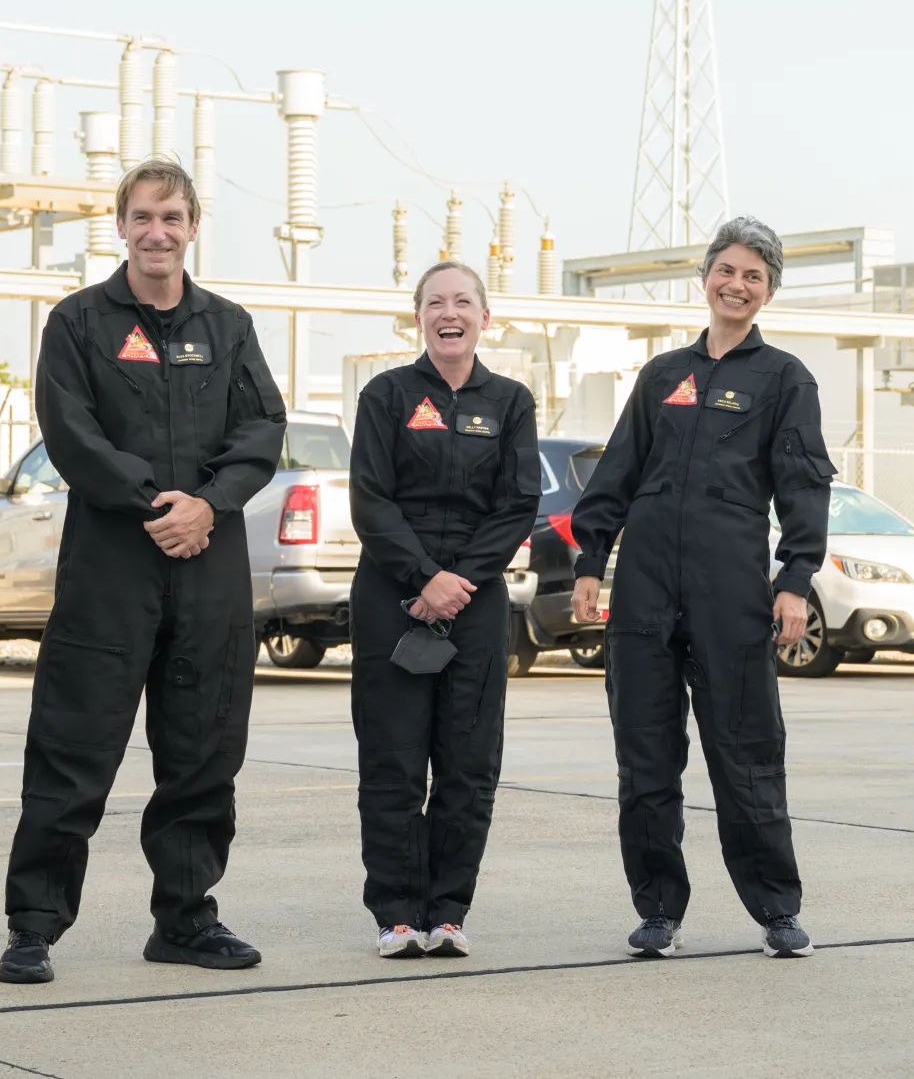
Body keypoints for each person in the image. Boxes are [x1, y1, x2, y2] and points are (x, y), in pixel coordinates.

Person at [0, 158, 287, 985]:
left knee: (202, 750)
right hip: (111, 567)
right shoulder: (80, 322)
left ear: (192, 227)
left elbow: (262, 427)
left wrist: (208, 504)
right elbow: (70, 429)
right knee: (73, 744)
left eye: (173, 217)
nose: (157, 231)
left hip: (209, 567)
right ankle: (34, 924)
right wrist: (155, 503)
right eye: (142, 216)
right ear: (120, 225)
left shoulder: (228, 326)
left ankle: (187, 918)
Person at [568, 216, 834, 961]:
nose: (737, 285)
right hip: (646, 595)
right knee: (646, 762)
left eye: (754, 275)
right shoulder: (662, 377)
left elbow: (803, 484)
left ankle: (777, 909)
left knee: (746, 755)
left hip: (731, 597)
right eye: (727, 270)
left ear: (769, 291)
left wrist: (795, 579)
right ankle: (657, 909)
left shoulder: (783, 378)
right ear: (706, 277)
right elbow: (617, 473)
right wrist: (592, 561)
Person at [348, 261, 540, 959]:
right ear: (418, 317)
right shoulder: (387, 395)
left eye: (463, 301)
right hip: (392, 598)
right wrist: (424, 577)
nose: (448, 312)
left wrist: (458, 578)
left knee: (468, 760)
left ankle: (448, 910)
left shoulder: (512, 401)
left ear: (485, 318)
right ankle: (396, 911)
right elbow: (371, 499)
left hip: (477, 601)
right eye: (435, 302)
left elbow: (517, 503)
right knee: (393, 759)